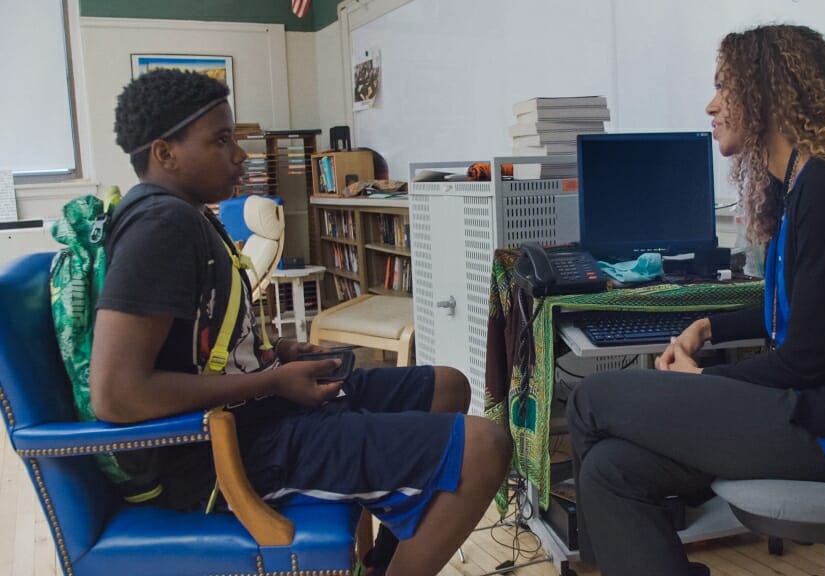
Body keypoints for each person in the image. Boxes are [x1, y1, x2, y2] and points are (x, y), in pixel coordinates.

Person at [91, 68, 511, 576]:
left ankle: (378, 564)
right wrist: (271, 381)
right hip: (221, 458)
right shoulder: (158, 227)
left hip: (258, 412)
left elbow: (198, 348)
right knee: (485, 448)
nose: (240, 156)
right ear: (165, 153)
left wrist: (275, 357)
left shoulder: (187, 214)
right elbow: (116, 393)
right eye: (222, 140)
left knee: (447, 386)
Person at [567, 24, 825, 576]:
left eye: (725, 87)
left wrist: (702, 387)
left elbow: (805, 357)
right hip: (820, 412)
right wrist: (706, 326)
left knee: (590, 401)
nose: (711, 104)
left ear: (769, 92)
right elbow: (798, 306)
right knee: (611, 471)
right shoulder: (810, 182)